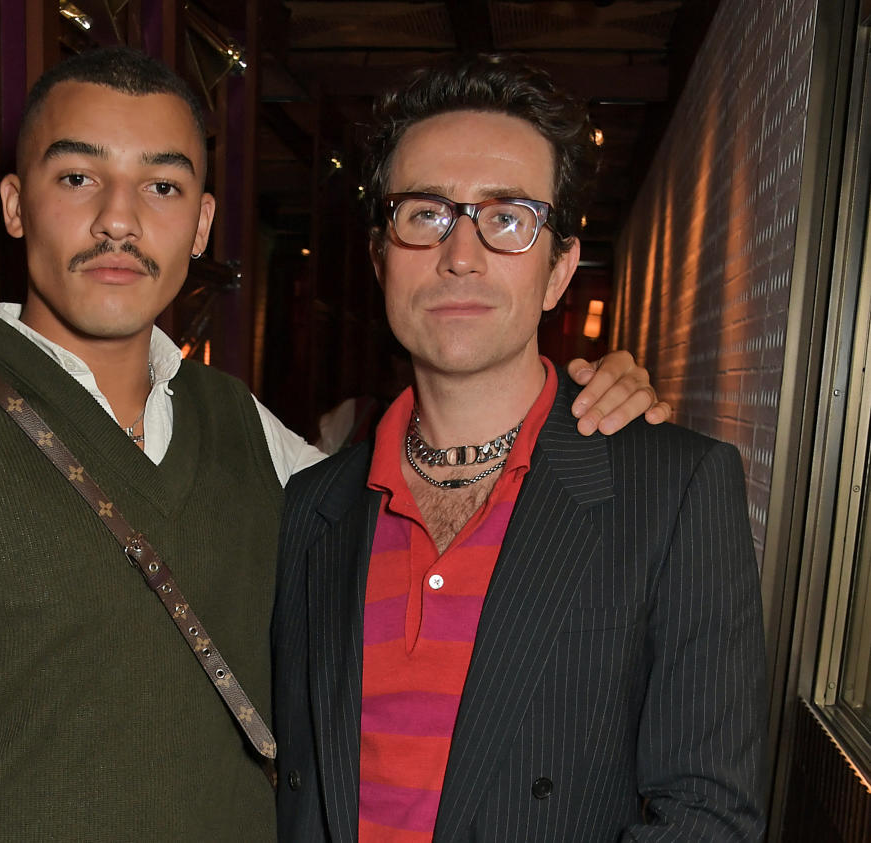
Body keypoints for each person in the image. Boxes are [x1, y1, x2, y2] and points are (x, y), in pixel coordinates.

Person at [0, 48, 669, 841]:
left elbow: (436, 475)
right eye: (77, 179)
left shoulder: (245, 430)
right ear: (17, 206)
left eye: (163, 187)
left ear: (203, 225)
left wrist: (584, 403)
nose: (120, 221)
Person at [272, 54, 767, 842]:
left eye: (507, 218)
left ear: (560, 268)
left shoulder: (675, 489)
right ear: (380, 255)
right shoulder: (311, 507)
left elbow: (706, 815)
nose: (459, 253)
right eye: (425, 213)